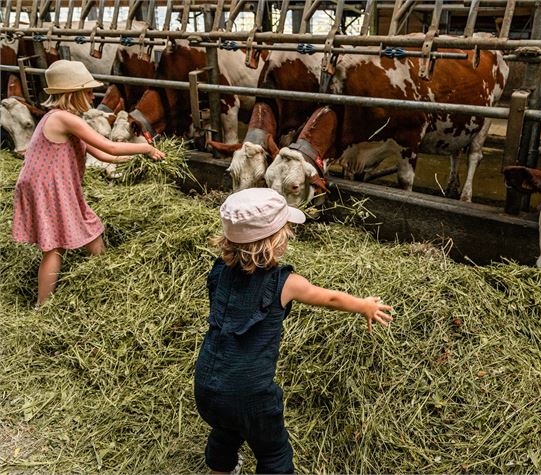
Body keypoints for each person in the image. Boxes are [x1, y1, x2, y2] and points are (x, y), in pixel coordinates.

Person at [194, 188, 393, 474]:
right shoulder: (286, 282)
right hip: (252, 394)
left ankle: (220, 470)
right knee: (274, 451)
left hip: (207, 384)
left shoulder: (217, 270)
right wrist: (364, 306)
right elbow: (330, 298)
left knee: (225, 430)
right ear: (276, 241)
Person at [11, 60, 166, 305]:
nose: (91, 94)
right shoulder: (64, 119)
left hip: (53, 184)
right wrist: (144, 148)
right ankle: (44, 304)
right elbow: (110, 145)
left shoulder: (66, 118)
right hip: (48, 187)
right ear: (74, 93)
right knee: (54, 245)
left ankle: (103, 272)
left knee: (85, 228)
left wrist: (135, 160)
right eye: (86, 90)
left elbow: (105, 154)